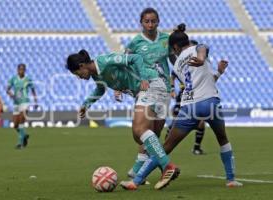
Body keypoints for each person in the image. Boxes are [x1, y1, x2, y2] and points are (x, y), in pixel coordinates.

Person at [121, 24, 243, 190]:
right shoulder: (198, 48)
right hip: (210, 103)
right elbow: (203, 52)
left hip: (189, 108)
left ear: (176, 47)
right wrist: (210, 65)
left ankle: (135, 181)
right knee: (222, 139)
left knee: (166, 146)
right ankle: (230, 179)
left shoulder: (177, 65)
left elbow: (193, 83)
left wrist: (205, 64)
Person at [66, 50, 180, 190]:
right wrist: (86, 104)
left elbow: (136, 58)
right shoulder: (96, 75)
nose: (80, 78)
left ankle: (167, 166)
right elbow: (100, 89)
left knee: (139, 130)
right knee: (148, 140)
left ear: (82, 65)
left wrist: (143, 78)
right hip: (157, 90)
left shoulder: (104, 61)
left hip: (150, 85)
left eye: (78, 74)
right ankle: (137, 177)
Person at [115, 7, 173, 180]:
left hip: (164, 89)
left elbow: (173, 60)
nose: (150, 24)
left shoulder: (166, 39)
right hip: (147, 87)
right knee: (144, 130)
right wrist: (119, 85)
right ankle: (144, 168)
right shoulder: (135, 43)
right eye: (146, 21)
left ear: (158, 22)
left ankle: (140, 169)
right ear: (141, 22)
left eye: (153, 21)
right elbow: (124, 64)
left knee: (155, 133)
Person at [169, 39, 207, 155]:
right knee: (176, 121)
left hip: (197, 94)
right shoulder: (182, 61)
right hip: (183, 94)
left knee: (201, 122)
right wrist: (171, 88)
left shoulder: (201, 63)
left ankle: (196, 147)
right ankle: (166, 145)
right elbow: (173, 74)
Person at [7, 64, 37, 149]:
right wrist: (12, 95)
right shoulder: (13, 78)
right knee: (15, 125)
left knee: (21, 121)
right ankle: (24, 135)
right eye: (20, 70)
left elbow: (33, 90)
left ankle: (20, 143)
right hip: (16, 103)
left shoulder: (28, 79)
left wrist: (35, 101)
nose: (21, 71)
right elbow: (7, 89)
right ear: (17, 70)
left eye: (23, 70)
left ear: (25, 70)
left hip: (25, 102)